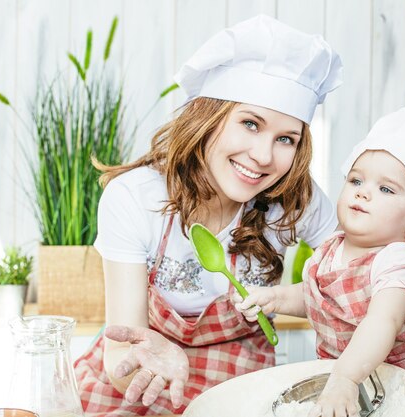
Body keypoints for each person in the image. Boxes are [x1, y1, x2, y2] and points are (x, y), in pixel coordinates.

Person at [73, 14, 343, 416]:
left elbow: (349, 289)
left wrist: (286, 300)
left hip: (242, 384)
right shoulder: (134, 196)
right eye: (250, 124)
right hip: (145, 383)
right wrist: (154, 363)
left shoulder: (294, 198)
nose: (264, 157)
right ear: (209, 118)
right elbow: (120, 361)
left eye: (286, 138)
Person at [234, 104, 405, 417]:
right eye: (356, 181)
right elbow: (314, 297)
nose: (363, 194)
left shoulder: (396, 262)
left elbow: (382, 320)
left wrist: (346, 378)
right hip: (353, 376)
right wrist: (275, 297)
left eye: (386, 188)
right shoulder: (329, 250)